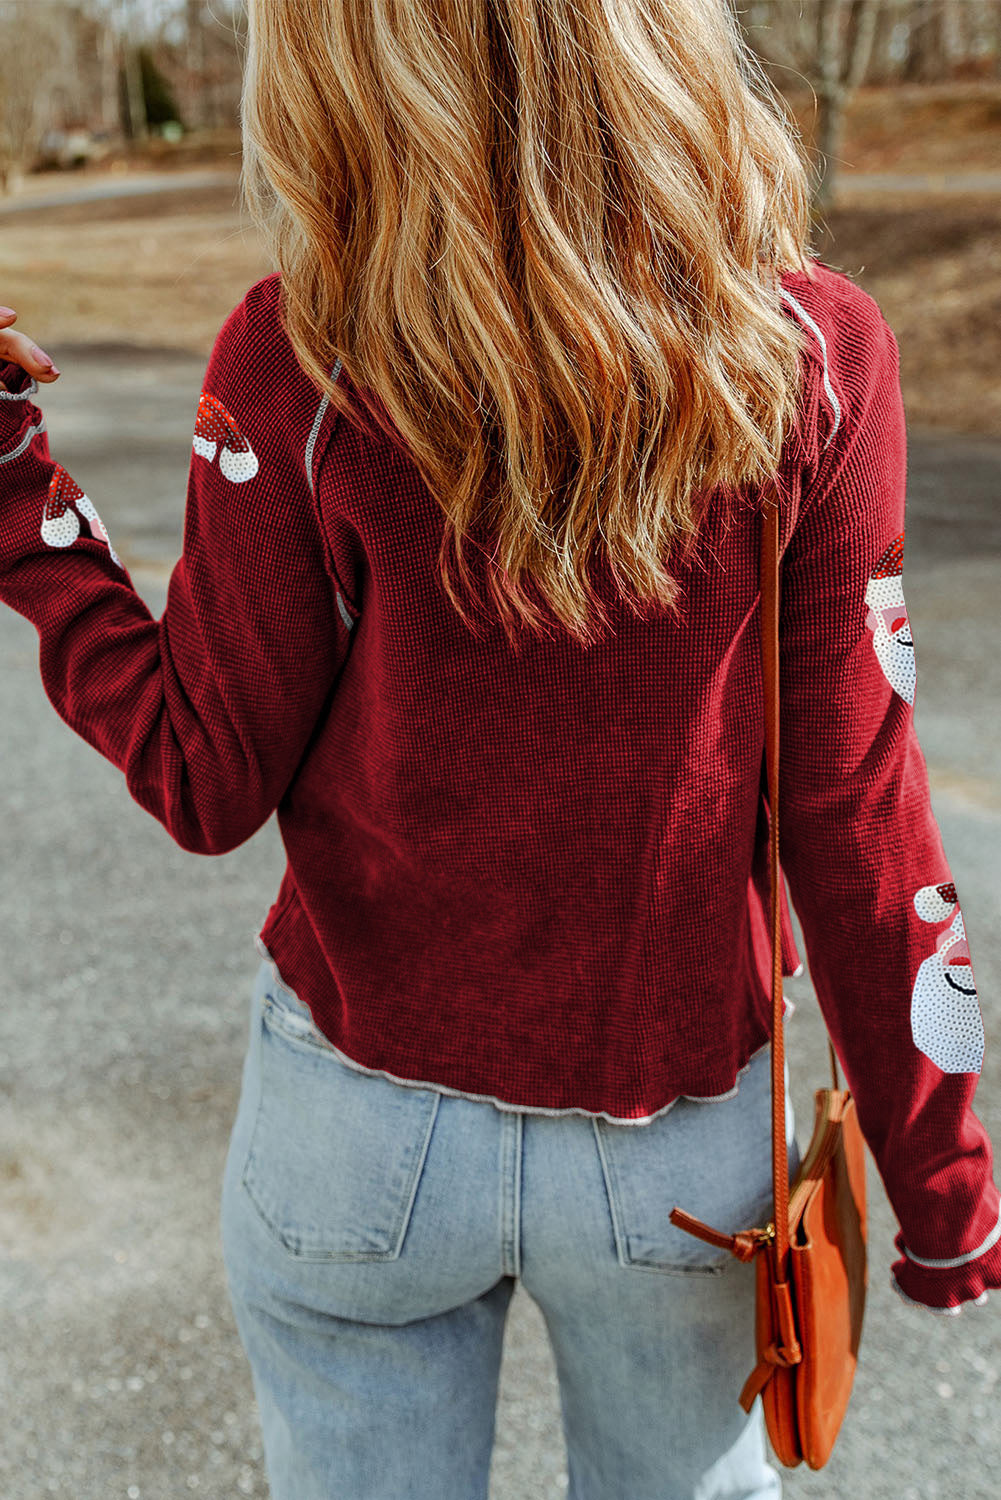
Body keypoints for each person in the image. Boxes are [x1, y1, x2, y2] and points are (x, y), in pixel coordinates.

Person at [0, 0, 997, 1493]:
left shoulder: (298, 359)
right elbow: (854, 814)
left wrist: (21, 488)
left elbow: (204, 777)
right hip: (676, 1159)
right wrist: (942, 1193)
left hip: (354, 1130)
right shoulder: (807, 354)